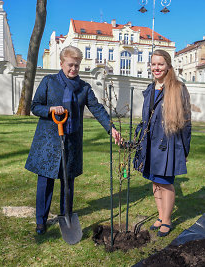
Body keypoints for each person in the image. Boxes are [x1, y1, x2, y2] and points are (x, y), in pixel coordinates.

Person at [25, 45, 121, 235]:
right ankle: (40, 221)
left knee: (68, 182)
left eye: (77, 65)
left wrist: (111, 128)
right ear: (61, 63)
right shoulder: (49, 82)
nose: (73, 69)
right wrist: (51, 109)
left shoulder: (84, 88)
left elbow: (97, 109)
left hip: (71, 142)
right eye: (70, 65)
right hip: (48, 142)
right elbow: (35, 107)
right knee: (45, 181)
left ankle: (65, 215)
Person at [133, 49, 192, 237]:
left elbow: (186, 122)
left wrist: (184, 150)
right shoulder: (150, 89)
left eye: (160, 64)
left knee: (165, 183)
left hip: (168, 144)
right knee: (154, 181)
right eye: (153, 64)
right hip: (150, 143)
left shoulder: (178, 88)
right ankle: (160, 215)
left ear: (168, 66)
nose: (156, 68)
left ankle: (167, 220)